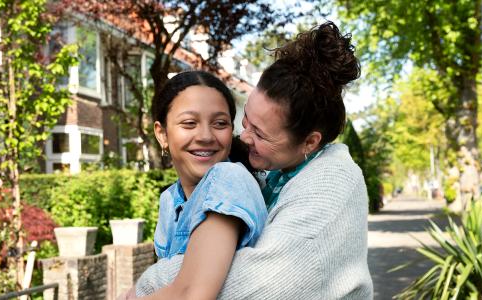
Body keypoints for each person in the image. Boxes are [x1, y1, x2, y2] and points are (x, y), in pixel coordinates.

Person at [134, 21, 373, 299]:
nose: (245, 137)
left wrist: (147, 284)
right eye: (245, 120)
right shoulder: (270, 170)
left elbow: (256, 286)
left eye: (260, 133)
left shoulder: (330, 185)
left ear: (310, 141)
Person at [129, 70, 268, 299]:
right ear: (162, 134)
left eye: (220, 123)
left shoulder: (229, 178)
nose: (205, 135)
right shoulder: (170, 199)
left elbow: (191, 294)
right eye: (189, 123)